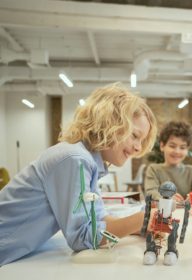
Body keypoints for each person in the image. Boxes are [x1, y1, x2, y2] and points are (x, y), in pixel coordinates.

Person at [0, 83, 157, 266]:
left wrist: (140, 225)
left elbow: (97, 219)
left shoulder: (85, 160)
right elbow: (83, 238)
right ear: (111, 123)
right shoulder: (74, 159)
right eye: (135, 136)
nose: (138, 147)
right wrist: (142, 218)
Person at [144, 120, 192, 202]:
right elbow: (150, 193)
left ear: (187, 150)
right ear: (162, 146)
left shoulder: (191, 171)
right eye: (172, 146)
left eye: (182, 147)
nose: (177, 151)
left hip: (188, 214)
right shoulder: (154, 169)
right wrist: (166, 199)